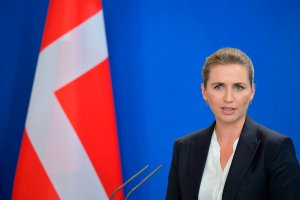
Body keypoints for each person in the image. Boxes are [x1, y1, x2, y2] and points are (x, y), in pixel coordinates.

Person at [166, 47, 300, 200]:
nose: (228, 98)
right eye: (219, 86)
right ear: (204, 92)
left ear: (252, 92)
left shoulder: (276, 148)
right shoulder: (184, 148)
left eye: (238, 87)